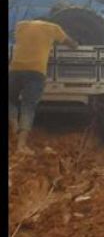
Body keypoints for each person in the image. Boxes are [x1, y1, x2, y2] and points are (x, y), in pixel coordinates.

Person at [9, 19, 78, 154]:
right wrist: (75, 43)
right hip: (36, 71)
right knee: (28, 106)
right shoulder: (53, 28)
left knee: (10, 99)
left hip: (15, 69)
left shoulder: (21, 25)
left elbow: (16, 39)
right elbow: (72, 44)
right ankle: (21, 146)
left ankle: (14, 126)